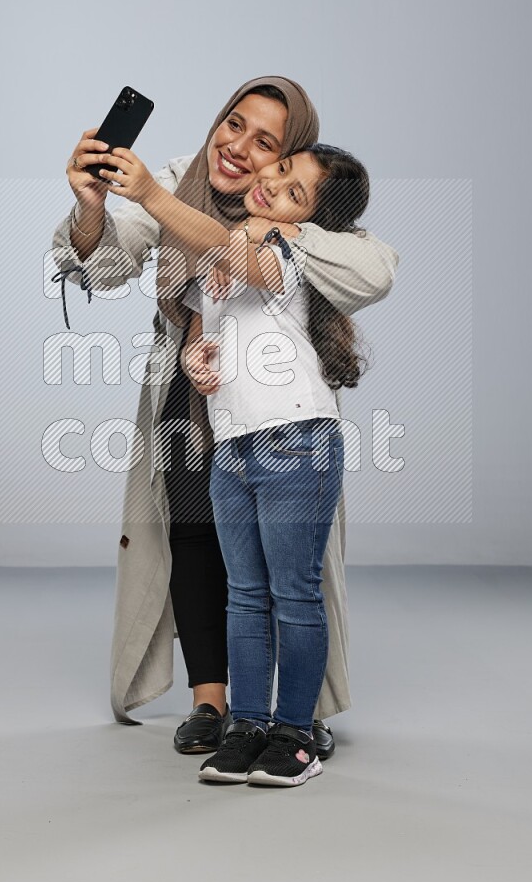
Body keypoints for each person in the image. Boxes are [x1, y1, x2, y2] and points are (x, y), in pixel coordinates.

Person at [51, 77, 399, 755]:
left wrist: (277, 230)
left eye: (267, 143)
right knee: (193, 536)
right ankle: (213, 702)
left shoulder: (302, 204)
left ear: (291, 159)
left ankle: (299, 710)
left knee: (285, 561)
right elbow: (106, 264)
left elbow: (373, 270)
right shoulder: (181, 179)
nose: (238, 148)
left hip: (278, 413)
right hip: (191, 389)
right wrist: (92, 205)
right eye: (233, 124)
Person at [94, 142, 370, 786]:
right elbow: (205, 326)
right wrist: (197, 355)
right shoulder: (223, 249)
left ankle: (295, 734)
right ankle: (247, 725)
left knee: (293, 595)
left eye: (294, 190)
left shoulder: (284, 253)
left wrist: (151, 197)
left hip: (296, 441)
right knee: (244, 596)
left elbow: (235, 253)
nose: (271, 183)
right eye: (277, 171)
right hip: (233, 445)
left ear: (309, 223)